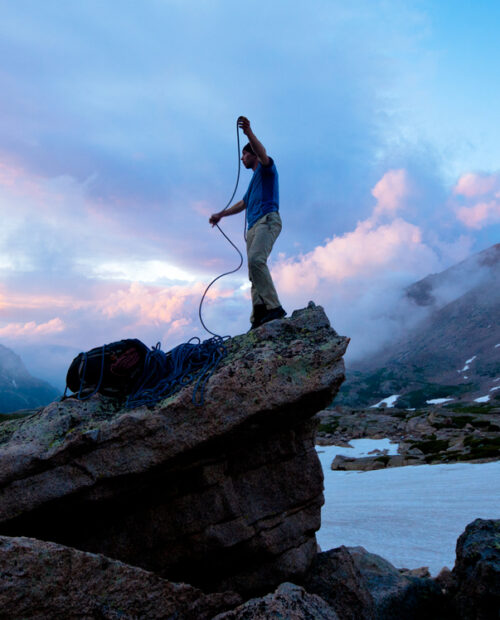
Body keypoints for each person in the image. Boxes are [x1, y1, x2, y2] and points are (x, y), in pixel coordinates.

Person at [209, 117, 286, 329]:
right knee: (253, 271)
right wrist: (221, 214)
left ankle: (274, 307)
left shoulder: (266, 168)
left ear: (251, 154)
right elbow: (243, 203)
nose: (242, 158)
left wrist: (249, 133)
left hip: (267, 220)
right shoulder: (254, 181)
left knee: (255, 260)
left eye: (244, 154)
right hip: (253, 227)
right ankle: (259, 314)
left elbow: (263, 153)